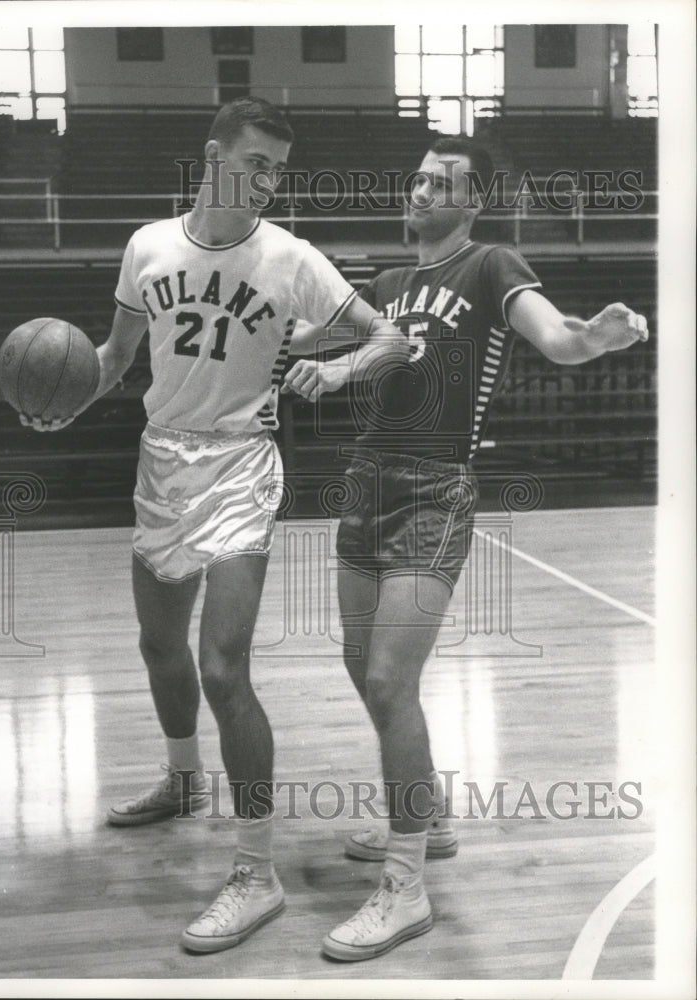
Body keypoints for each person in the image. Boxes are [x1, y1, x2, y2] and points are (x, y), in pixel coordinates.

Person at [22, 96, 407, 954]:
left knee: (222, 667)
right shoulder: (147, 247)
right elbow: (115, 359)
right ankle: (181, 778)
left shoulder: (292, 258)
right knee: (158, 649)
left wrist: (338, 368)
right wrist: (66, 404)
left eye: (278, 168)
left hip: (241, 464)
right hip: (162, 461)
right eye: (255, 162)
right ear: (213, 154)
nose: (267, 181)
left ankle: (255, 869)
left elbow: (391, 340)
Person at [283, 136, 648, 961]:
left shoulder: (489, 264)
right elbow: (315, 339)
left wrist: (597, 336)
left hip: (434, 492)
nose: (420, 190)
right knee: (363, 673)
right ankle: (428, 818)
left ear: (473, 201)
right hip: (365, 480)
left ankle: (406, 888)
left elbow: (555, 337)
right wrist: (284, 318)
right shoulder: (384, 284)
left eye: (440, 182)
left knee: (388, 676)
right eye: (414, 178)